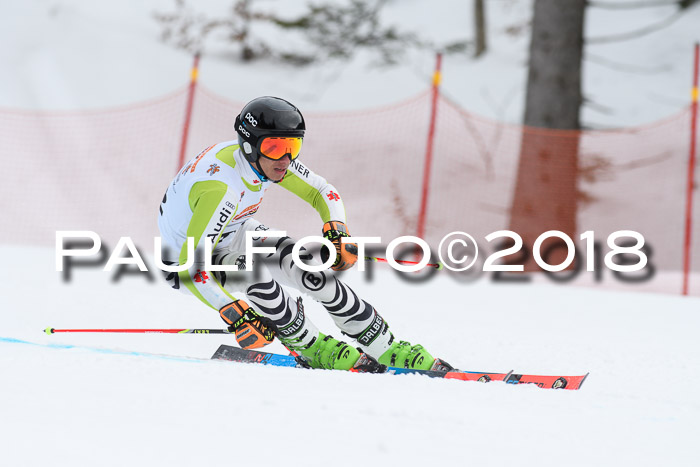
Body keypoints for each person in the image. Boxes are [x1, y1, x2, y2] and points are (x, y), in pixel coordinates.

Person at [158, 96, 451, 372]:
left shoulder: (265, 160)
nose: (286, 158)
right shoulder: (221, 190)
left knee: (309, 265)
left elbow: (323, 191)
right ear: (249, 145)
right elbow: (191, 269)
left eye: (293, 147)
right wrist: (235, 313)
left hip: (231, 229)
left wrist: (337, 232)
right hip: (187, 263)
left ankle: (385, 346)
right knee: (253, 272)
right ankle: (311, 346)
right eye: (275, 147)